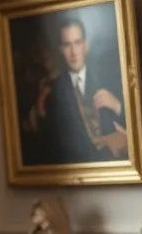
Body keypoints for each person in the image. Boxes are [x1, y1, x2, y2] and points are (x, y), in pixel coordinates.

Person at [22, 16, 128, 165]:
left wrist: (118, 107)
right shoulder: (53, 92)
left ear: (86, 45)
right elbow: (52, 149)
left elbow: (137, 130)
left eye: (77, 43)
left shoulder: (107, 78)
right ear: (61, 49)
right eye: (67, 45)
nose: (74, 52)